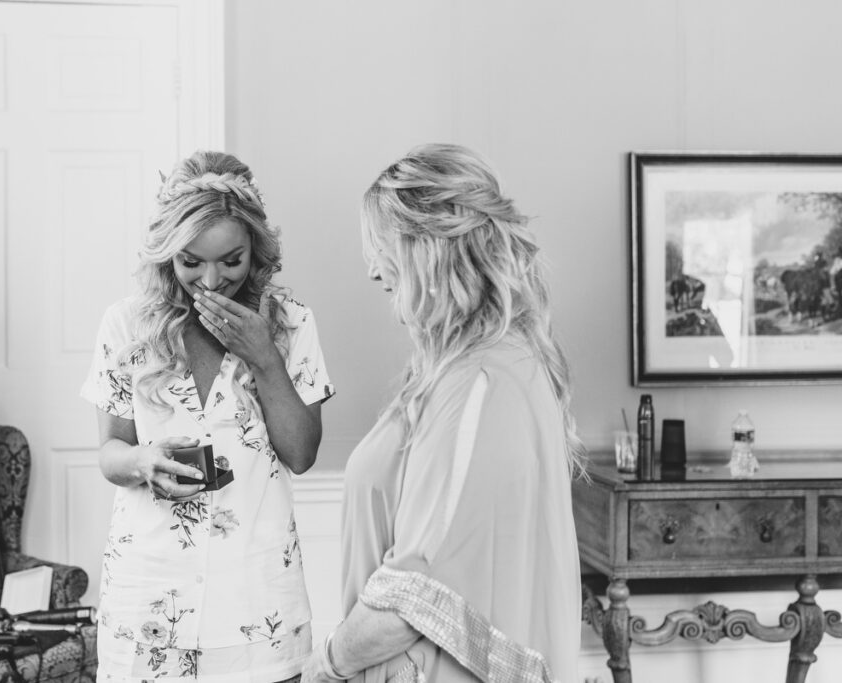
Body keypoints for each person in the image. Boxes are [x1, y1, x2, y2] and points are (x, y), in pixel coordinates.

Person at [302, 144, 583, 682]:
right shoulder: (482, 368)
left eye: (379, 246)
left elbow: (416, 595)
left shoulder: (480, 384)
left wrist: (325, 665)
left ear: (426, 247)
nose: (370, 270)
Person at [81, 150, 335, 683]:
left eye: (231, 260)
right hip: (150, 600)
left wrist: (264, 354)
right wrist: (142, 461)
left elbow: (302, 454)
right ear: (166, 252)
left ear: (256, 252)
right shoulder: (125, 325)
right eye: (191, 261)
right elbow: (109, 452)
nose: (212, 280)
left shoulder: (290, 324)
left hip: (256, 602)